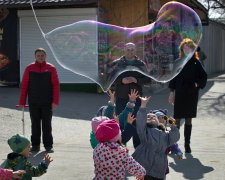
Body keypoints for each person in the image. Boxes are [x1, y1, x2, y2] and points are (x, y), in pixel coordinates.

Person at [108, 42, 151, 149]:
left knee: (136, 125)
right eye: (128, 49)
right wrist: (122, 80)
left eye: (132, 50)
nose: (130, 52)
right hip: (121, 99)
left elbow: (148, 79)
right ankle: (121, 150)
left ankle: (138, 151)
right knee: (121, 124)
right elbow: (110, 79)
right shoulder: (117, 63)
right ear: (124, 50)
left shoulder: (140, 64)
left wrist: (136, 80)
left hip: (136, 99)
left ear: (135, 51)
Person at [168, 38, 207, 153]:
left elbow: (204, 76)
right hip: (180, 93)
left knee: (188, 120)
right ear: (181, 49)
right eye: (184, 48)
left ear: (192, 49)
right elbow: (173, 79)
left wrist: (197, 84)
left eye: (188, 47)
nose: (186, 49)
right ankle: (173, 144)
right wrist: (171, 93)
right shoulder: (178, 62)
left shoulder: (196, 62)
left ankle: (187, 144)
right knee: (177, 120)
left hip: (191, 94)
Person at [19, 48, 60, 153]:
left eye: (42, 55)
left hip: (47, 102)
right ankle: (35, 145)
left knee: (47, 124)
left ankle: (48, 146)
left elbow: (56, 86)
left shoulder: (51, 68)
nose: (40, 57)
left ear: (45, 56)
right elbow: (24, 86)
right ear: (35, 56)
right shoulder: (29, 68)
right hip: (33, 102)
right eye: (38, 55)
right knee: (35, 124)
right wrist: (22, 102)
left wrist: (55, 101)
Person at [132, 96, 180, 180]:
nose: (151, 117)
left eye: (154, 117)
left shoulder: (165, 133)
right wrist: (143, 105)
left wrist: (173, 126)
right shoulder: (144, 131)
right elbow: (140, 121)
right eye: (148, 117)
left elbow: (174, 138)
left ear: (159, 121)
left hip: (159, 168)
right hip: (144, 167)